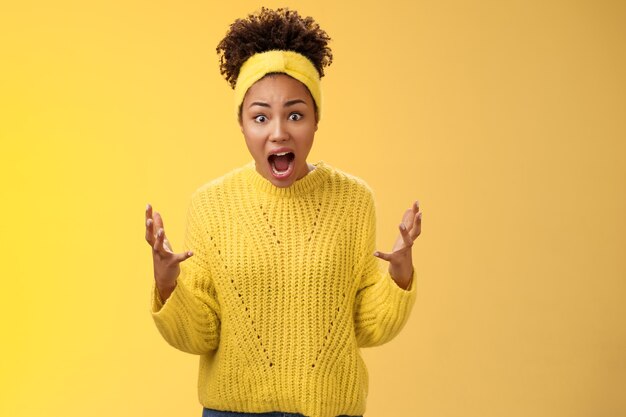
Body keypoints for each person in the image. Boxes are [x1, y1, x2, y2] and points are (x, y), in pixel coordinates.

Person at [144, 7, 422, 417]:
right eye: (260, 116)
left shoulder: (353, 200)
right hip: (231, 412)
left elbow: (362, 326)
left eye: (295, 114)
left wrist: (399, 275)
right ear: (241, 123)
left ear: (315, 121)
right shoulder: (210, 204)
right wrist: (168, 285)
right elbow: (204, 334)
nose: (278, 131)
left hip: (332, 410)